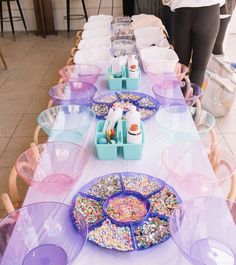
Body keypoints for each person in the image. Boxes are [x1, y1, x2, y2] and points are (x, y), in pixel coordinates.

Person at [162, 0, 224, 87]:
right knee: (199, 69)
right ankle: (192, 100)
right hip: (209, 10)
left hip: (182, 10)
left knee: (181, 65)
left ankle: (178, 98)